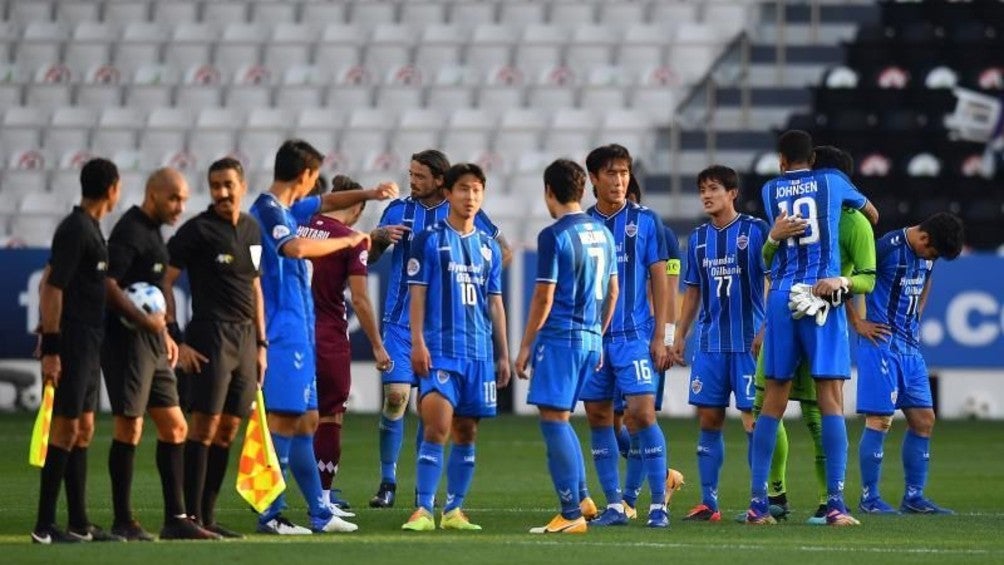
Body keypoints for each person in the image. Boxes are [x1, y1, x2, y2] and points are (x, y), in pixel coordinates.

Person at [249, 140, 396, 534]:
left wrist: (368, 194)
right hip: (283, 330)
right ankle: (271, 514)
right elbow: (294, 248)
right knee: (284, 419)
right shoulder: (266, 210)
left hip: (303, 327)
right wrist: (348, 240)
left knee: (309, 419)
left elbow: (326, 204)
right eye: (315, 179)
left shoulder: (286, 209)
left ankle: (319, 511)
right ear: (305, 176)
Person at [747, 130, 879, 526]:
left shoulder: (771, 190)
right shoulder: (833, 181)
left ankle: (758, 505)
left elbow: (767, 257)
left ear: (782, 160)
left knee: (772, 400)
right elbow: (871, 213)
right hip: (821, 296)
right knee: (831, 400)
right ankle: (836, 505)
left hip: (783, 297)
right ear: (814, 158)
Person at [367, 150, 512, 509]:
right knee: (397, 398)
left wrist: (472, 282)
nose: (412, 181)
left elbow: (503, 252)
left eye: (419, 176)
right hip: (401, 323)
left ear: (439, 182)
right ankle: (388, 480)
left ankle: (424, 493)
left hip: (445, 330)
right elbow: (368, 257)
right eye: (410, 173)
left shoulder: (468, 213)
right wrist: (380, 236)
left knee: (430, 410)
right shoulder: (398, 211)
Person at [101, 168, 219, 541]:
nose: (181, 207)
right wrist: (144, 321)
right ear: (153, 195)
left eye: (184, 199)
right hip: (125, 344)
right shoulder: (129, 231)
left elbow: (154, 289)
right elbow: (109, 284)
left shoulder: (154, 232)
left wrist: (166, 331)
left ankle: (176, 520)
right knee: (130, 427)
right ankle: (123, 520)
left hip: (153, 343)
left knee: (176, 426)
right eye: (174, 199)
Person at [164, 157, 267, 539]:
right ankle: (188, 518)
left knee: (228, 431)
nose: (222, 192)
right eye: (215, 186)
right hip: (210, 337)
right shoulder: (197, 231)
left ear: (242, 184)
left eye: (228, 184)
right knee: (203, 428)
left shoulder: (253, 230)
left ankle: (207, 518)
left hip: (244, 342)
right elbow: (165, 282)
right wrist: (175, 336)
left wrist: (261, 344)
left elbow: (255, 286)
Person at [515, 159, 618, 534]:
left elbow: (543, 296)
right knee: (563, 419)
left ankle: (570, 513)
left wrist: (525, 346)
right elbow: (613, 291)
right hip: (591, 339)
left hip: (560, 339)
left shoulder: (553, 235)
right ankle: (585, 498)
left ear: (548, 192)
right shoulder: (604, 233)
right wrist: (599, 336)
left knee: (553, 421)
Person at [669, 165, 770, 522]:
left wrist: (767, 328)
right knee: (709, 419)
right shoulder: (697, 239)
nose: (707, 195)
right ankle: (708, 503)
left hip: (747, 343)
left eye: (713, 189)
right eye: (702, 190)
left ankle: (760, 501)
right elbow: (692, 291)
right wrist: (680, 335)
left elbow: (772, 281)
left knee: (752, 421)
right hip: (710, 345)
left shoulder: (756, 231)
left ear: (732, 193)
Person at [31, 158, 122, 544]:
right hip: (72, 341)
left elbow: (49, 280)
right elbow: (52, 287)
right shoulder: (76, 230)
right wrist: (51, 345)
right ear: (112, 190)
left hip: (88, 340)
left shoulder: (89, 229)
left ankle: (79, 522)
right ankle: (44, 525)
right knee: (66, 428)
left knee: (83, 428)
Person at [582, 144, 672, 528]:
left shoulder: (646, 221)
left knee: (642, 414)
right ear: (593, 179)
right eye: (611, 173)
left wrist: (663, 335)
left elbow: (662, 280)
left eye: (624, 173)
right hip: (593, 339)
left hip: (635, 335)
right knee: (600, 417)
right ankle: (616, 505)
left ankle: (658, 504)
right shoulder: (582, 224)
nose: (619, 180)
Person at [854, 213, 964, 515]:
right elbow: (851, 278)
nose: (933, 258)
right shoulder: (886, 248)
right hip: (879, 344)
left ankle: (914, 497)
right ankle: (870, 498)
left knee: (924, 420)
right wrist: (858, 322)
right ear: (924, 238)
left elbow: (926, 281)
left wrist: (918, 313)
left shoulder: (929, 254)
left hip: (910, 347)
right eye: (933, 252)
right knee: (879, 420)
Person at [303, 174, 392, 511]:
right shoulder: (351, 239)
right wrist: (378, 346)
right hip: (327, 335)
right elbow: (360, 299)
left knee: (288, 417)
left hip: (293, 335)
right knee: (330, 418)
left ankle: (272, 496)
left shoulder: (298, 227)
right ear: (355, 207)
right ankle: (323, 498)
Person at [617, 174, 685, 519]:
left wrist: (667, 339)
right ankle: (665, 475)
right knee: (614, 423)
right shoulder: (601, 228)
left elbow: (670, 289)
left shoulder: (659, 234)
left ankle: (629, 499)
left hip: (644, 339)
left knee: (638, 418)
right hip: (610, 338)